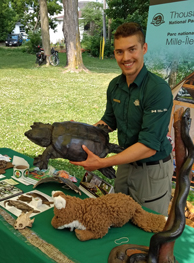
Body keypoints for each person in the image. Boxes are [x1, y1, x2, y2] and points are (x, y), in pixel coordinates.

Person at [70, 22, 173, 216]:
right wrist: (82, 132)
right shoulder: (115, 85)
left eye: (132, 50)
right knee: (118, 215)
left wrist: (103, 163)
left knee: (146, 225)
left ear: (144, 48)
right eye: (119, 52)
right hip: (125, 163)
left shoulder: (158, 90)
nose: (126, 58)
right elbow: (109, 122)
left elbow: (148, 145)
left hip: (151, 169)